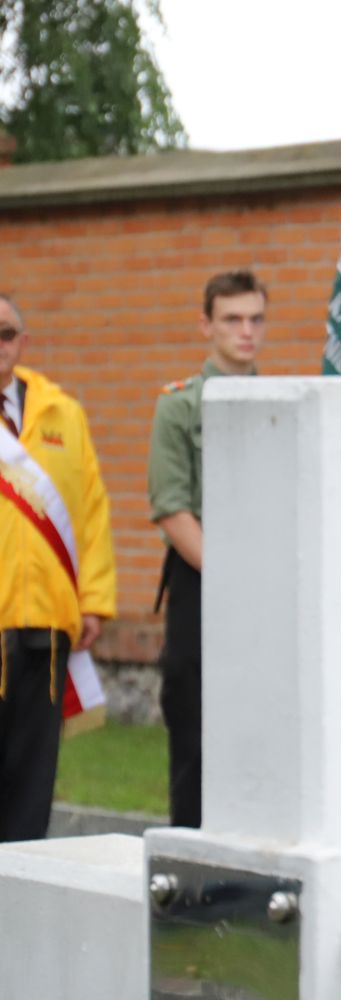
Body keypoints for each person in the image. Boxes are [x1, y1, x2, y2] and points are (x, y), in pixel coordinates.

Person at [148, 270, 268, 829]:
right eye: (232, 319)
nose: (246, 332)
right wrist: (233, 576)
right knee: (195, 726)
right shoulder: (178, 406)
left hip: (267, 581)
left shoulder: (279, 401)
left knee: (264, 721)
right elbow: (172, 508)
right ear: (206, 326)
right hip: (203, 576)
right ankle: (191, 852)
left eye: (255, 319)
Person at [0, 293, 117, 841]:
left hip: (45, 627)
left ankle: (17, 900)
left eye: (6, 334)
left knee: (31, 777)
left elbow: (90, 508)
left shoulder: (61, 412)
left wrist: (93, 599)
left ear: (22, 343)